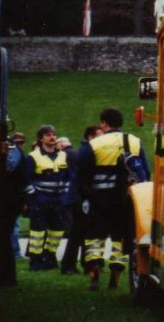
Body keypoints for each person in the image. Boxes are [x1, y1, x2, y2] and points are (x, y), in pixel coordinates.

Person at [75, 108, 148, 291]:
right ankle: (116, 274)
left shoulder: (95, 144)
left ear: (104, 123)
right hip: (124, 198)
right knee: (120, 237)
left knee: (94, 236)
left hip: (99, 198)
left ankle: (94, 270)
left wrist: (84, 197)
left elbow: (81, 173)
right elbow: (145, 172)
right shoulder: (134, 142)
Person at [22, 125, 73, 271]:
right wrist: (35, 196)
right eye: (48, 135)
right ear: (41, 138)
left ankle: (50, 257)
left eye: (54, 135)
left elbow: (69, 177)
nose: (52, 137)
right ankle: (36, 261)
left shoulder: (63, 155)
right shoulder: (33, 157)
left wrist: (65, 194)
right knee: (38, 231)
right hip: (41, 200)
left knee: (57, 231)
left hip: (59, 200)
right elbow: (26, 180)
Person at [60, 125, 102, 275]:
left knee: (81, 232)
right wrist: (86, 198)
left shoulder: (85, 150)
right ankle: (70, 265)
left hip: (79, 196)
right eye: (99, 135)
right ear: (91, 136)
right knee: (79, 233)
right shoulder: (87, 151)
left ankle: (79, 264)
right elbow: (83, 178)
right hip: (80, 198)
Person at [0, 131, 26, 286]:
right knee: (3, 237)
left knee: (3, 237)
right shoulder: (15, 151)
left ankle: (7, 276)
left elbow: (7, 169)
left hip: (9, 202)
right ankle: (6, 275)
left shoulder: (12, 152)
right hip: (11, 201)